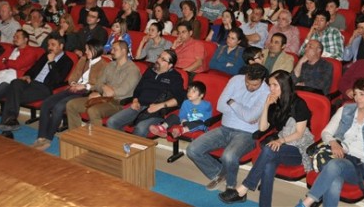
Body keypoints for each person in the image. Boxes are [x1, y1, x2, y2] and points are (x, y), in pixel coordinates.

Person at [219, 71, 314, 207]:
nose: (271, 89)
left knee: (269, 149)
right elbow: (263, 128)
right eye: (270, 85)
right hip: (281, 146)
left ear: (285, 85)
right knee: (268, 165)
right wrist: (266, 106)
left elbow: (299, 133)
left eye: (275, 85)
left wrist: (280, 141)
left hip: (299, 149)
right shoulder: (274, 102)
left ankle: (245, 187)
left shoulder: (299, 104)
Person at [295, 78, 364, 207]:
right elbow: (326, 132)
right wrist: (333, 143)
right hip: (340, 155)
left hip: (361, 166)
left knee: (335, 165)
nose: (358, 98)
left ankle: (307, 203)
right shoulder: (345, 110)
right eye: (356, 94)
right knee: (334, 180)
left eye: (362, 94)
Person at [187, 63, 270, 191]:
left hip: (247, 134)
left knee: (229, 156)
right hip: (224, 128)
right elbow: (221, 106)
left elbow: (249, 116)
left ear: (263, 80)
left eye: (254, 85)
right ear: (246, 76)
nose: (249, 87)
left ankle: (231, 186)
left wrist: (232, 103)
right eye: (247, 82)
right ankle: (219, 174)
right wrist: (244, 113)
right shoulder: (236, 80)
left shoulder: (266, 92)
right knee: (192, 149)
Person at [0, 33, 74, 136]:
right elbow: (33, 69)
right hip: (32, 83)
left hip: (44, 88)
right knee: (15, 82)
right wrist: (28, 75)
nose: (49, 47)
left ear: (61, 46)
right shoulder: (45, 55)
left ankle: (7, 126)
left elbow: (57, 79)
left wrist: (51, 62)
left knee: (12, 94)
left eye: (53, 45)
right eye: (48, 45)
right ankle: (11, 120)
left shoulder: (67, 61)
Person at [107, 49, 186, 137]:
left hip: (156, 112)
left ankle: (133, 149)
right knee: (112, 122)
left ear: (170, 65)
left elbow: (180, 99)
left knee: (140, 128)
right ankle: (122, 146)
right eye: (159, 57)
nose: (158, 60)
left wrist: (159, 106)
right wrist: (135, 100)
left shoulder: (175, 77)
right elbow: (138, 89)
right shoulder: (150, 71)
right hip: (138, 106)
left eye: (163, 59)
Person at [65, 40, 141, 129]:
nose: (111, 52)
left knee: (93, 110)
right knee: (71, 105)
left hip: (118, 103)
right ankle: (76, 135)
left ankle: (96, 140)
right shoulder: (111, 65)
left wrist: (104, 91)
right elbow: (98, 83)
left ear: (124, 51)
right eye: (112, 49)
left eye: (115, 49)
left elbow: (122, 91)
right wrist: (103, 89)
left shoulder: (133, 70)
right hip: (102, 98)